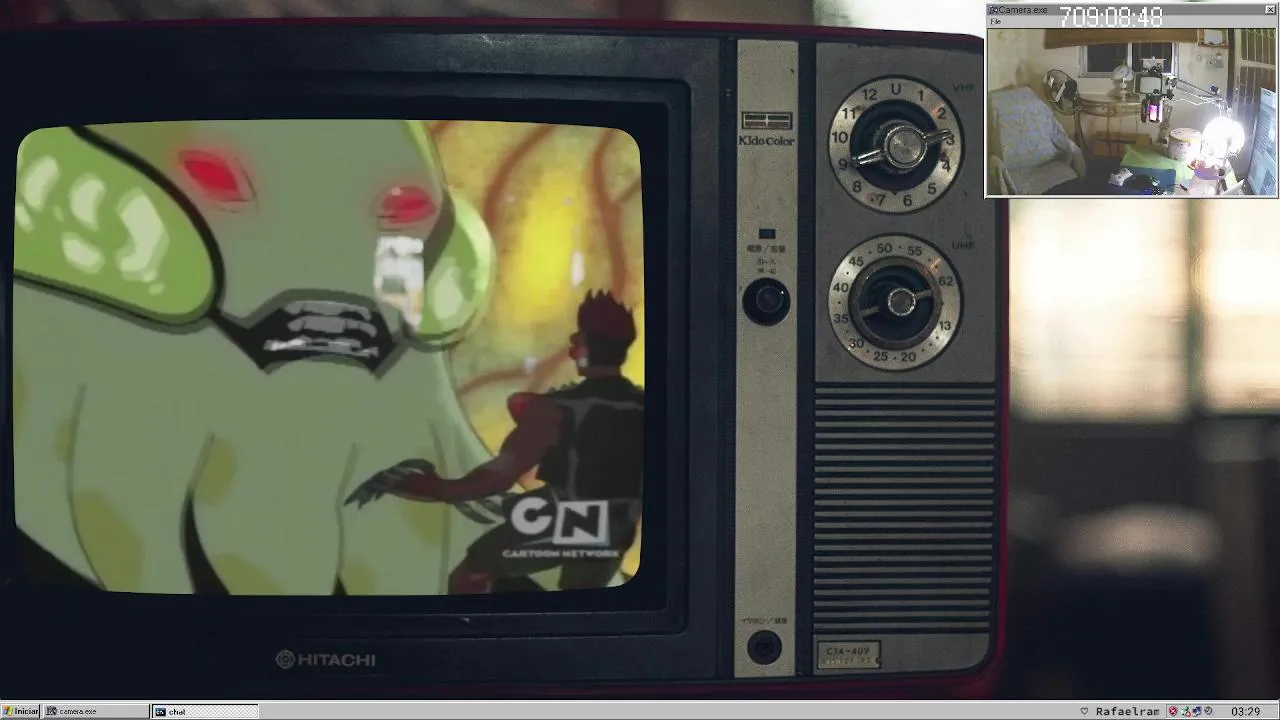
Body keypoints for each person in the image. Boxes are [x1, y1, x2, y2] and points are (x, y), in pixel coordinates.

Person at [346, 290, 644, 593]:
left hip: (567, 522)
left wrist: (437, 487)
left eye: (577, 340)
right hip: (615, 528)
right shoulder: (644, 407)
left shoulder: (555, 409)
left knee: (472, 574)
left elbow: (497, 478)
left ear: (586, 347)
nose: (571, 348)